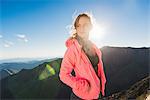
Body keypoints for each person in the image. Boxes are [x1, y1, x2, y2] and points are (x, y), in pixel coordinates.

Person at [59, 13, 106, 100]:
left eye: (85, 25)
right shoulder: (73, 49)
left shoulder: (94, 47)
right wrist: (79, 85)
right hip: (81, 96)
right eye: (78, 25)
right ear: (76, 28)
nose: (82, 28)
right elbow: (63, 75)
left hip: (96, 94)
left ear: (91, 27)